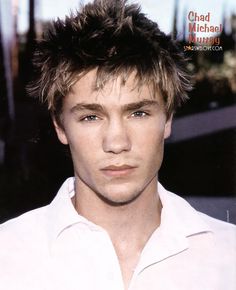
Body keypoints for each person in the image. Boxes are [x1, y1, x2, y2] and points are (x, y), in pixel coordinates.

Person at [0, 0, 235, 289]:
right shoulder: (7, 256)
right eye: (90, 117)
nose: (117, 142)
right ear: (60, 126)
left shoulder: (229, 255)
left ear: (168, 119)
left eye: (138, 113)